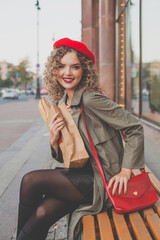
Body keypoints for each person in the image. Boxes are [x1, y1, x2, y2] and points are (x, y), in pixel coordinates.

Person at [16, 38, 144, 240]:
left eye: (74, 67)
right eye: (61, 66)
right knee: (42, 213)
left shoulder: (90, 98)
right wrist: (53, 138)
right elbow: (67, 157)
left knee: (31, 180)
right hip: (80, 178)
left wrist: (125, 171)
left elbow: (135, 128)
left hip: (102, 181)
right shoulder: (62, 102)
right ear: (53, 70)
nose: (67, 73)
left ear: (84, 70)